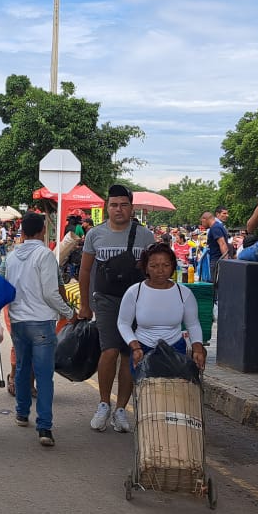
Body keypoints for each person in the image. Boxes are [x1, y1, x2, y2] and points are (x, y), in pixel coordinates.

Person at [77, 184, 155, 433]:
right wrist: (84, 305)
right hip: (107, 301)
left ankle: (121, 409)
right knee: (109, 351)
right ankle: (103, 404)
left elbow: (154, 270)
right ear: (106, 207)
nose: (118, 209)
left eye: (123, 205)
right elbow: (86, 271)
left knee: (128, 354)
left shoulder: (145, 236)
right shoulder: (95, 235)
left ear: (131, 208)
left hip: (136, 302)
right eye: (113, 205)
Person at [4, 212, 74, 447]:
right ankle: (44, 426)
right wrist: (69, 312)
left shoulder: (12, 257)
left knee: (23, 368)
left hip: (18, 321)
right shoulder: (44, 255)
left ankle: (22, 413)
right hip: (42, 321)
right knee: (44, 376)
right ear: (42, 231)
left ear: (22, 231)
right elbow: (50, 292)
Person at [116, 243, 207, 370]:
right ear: (146, 268)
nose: (160, 270)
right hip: (142, 348)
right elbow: (123, 323)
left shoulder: (184, 293)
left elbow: (193, 324)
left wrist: (198, 349)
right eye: (154, 266)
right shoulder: (134, 292)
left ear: (173, 267)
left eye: (166, 265)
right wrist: (135, 347)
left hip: (175, 349)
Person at [199, 206, 231, 284]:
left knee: (217, 286)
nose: (202, 225)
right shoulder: (218, 226)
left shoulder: (215, 228)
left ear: (204, 219)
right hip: (218, 259)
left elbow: (222, 244)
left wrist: (225, 262)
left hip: (217, 260)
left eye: (202, 222)